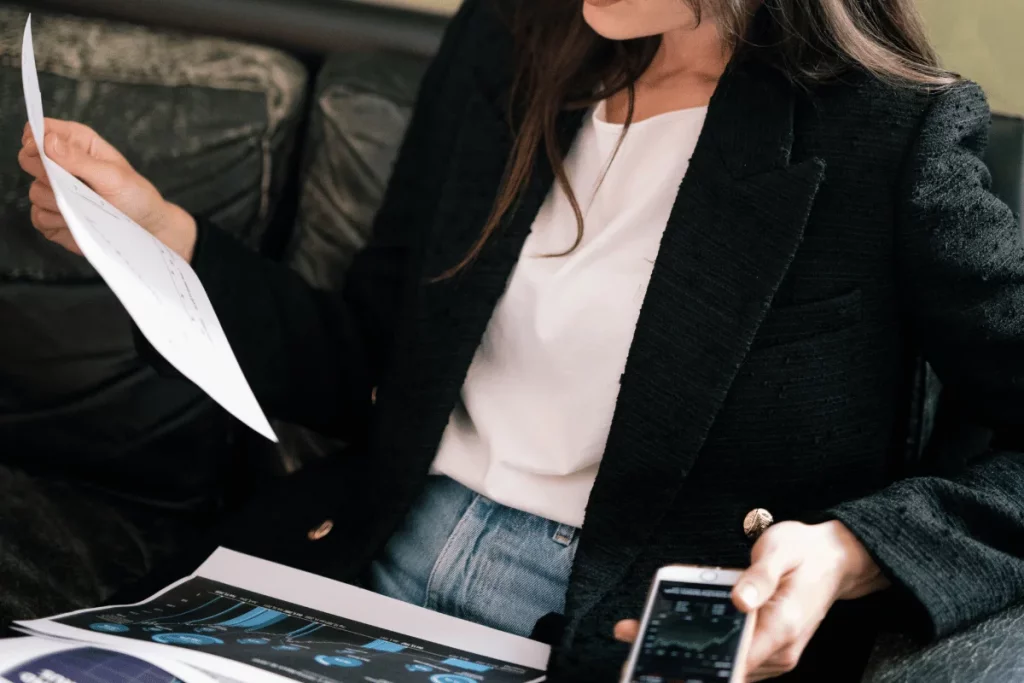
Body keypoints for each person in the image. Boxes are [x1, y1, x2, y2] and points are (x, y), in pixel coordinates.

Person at [18, 0, 1024, 679]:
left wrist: (851, 551)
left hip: (602, 624)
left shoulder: (886, 138)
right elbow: (366, 363)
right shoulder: (508, 45)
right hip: (355, 568)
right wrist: (163, 236)